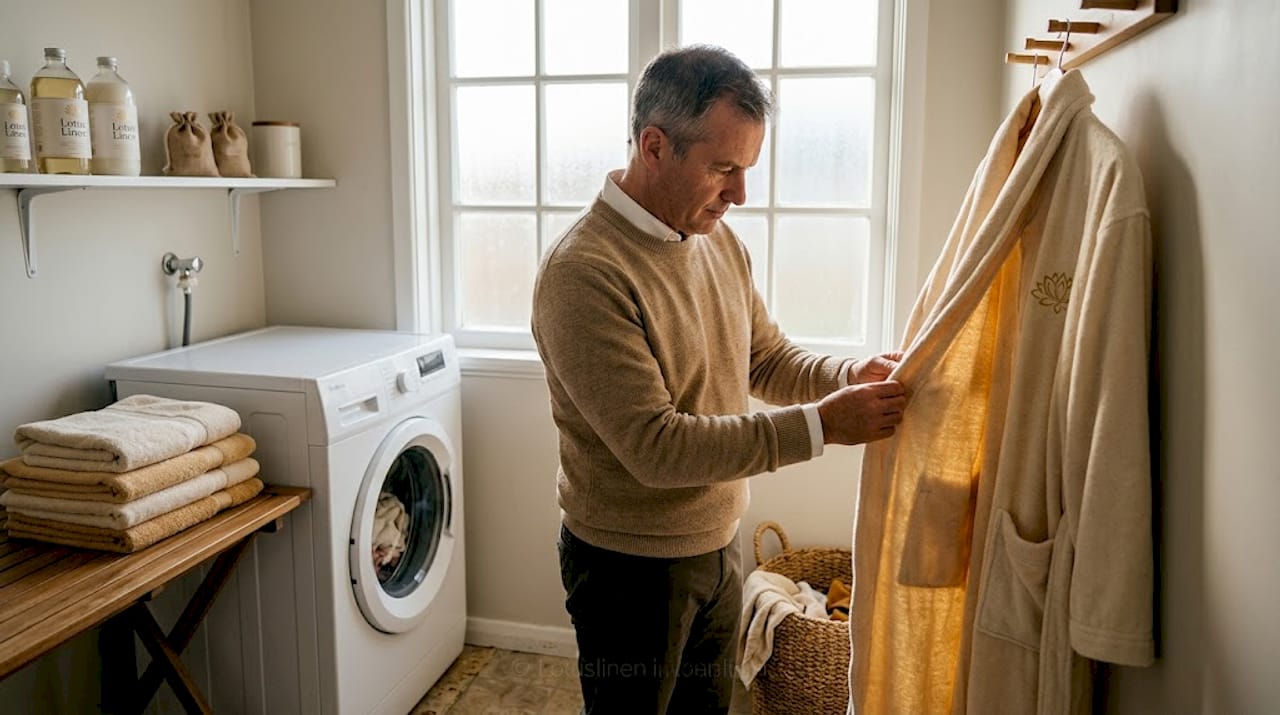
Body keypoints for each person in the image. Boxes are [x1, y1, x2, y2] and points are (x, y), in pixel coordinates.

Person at [531, 44, 906, 715]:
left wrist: (849, 374)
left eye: (747, 169)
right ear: (654, 146)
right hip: (628, 569)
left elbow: (763, 357)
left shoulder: (713, 238)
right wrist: (825, 425)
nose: (739, 194)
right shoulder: (582, 273)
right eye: (723, 169)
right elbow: (657, 446)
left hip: (718, 545)